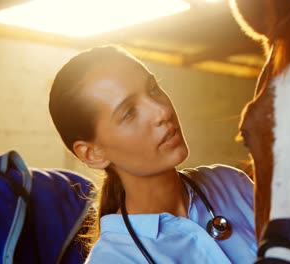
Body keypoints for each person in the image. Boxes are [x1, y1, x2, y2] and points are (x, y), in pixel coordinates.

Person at [48, 45, 257, 263]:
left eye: (154, 89)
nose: (162, 112)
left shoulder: (232, 183)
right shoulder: (113, 259)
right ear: (92, 154)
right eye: (129, 112)